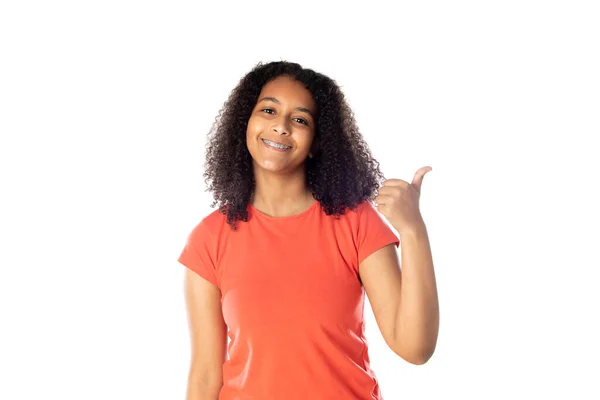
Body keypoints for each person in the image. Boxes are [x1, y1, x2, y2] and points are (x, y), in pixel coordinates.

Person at [177, 61, 439, 400]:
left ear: (316, 141)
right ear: (246, 123)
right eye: (268, 110)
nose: (281, 126)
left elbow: (415, 348)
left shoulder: (356, 221)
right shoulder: (209, 239)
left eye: (300, 119)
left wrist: (413, 230)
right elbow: (205, 375)